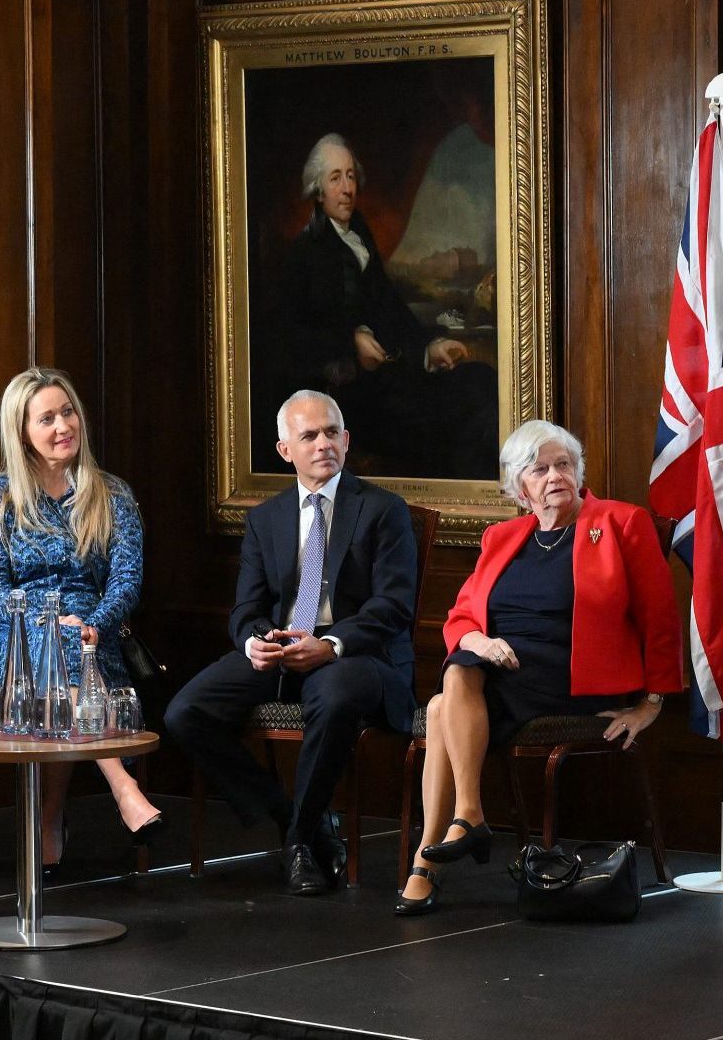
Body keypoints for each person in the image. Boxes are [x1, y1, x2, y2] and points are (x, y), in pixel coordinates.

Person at [396, 420, 680, 915]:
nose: (554, 477)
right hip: (504, 668)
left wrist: (650, 705)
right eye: (540, 468)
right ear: (519, 487)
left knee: (448, 698)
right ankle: (458, 826)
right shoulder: (502, 537)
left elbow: (661, 617)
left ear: (578, 471)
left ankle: (434, 857)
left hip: (576, 675)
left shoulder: (621, 524)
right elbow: (460, 618)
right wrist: (481, 640)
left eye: (563, 464)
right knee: (451, 689)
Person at [165, 390, 418, 895]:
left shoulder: (383, 510)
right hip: (282, 650)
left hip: (359, 656)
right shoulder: (266, 518)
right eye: (309, 435)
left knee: (336, 693)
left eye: (331, 433)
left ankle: (300, 842)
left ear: (346, 441)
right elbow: (246, 608)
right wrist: (253, 642)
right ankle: (298, 821)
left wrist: (332, 645)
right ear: (286, 450)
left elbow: (393, 607)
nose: (323, 444)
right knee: (184, 713)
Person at [0, 367, 165, 866]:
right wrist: (48, 621)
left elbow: (126, 579)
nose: (63, 426)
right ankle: (122, 787)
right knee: (55, 655)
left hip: (95, 636)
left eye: (69, 411)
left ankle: (48, 817)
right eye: (47, 418)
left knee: (71, 661)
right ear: (22, 431)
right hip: (15, 637)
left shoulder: (112, 493)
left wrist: (93, 621)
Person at [261, 132, 497, 479]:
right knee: (464, 410)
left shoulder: (358, 232)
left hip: (389, 383)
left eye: (351, 175)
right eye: (335, 178)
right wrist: (350, 344)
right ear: (318, 189)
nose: (347, 188)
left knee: (481, 381)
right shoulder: (305, 253)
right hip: (351, 400)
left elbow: (389, 306)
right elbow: (288, 341)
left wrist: (428, 349)